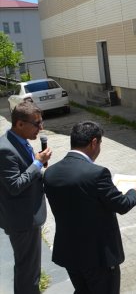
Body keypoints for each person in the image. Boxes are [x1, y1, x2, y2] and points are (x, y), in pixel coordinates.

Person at [43, 121, 136, 294]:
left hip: (70, 254)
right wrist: (134, 192)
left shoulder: (50, 173)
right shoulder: (97, 173)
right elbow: (122, 205)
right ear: (94, 142)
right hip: (99, 257)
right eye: (100, 144)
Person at [0, 102, 52, 294]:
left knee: (30, 269)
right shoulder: (5, 149)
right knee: (27, 270)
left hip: (28, 217)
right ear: (20, 124)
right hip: (21, 221)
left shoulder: (20, 140)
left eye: (41, 122)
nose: (41, 128)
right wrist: (37, 163)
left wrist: (38, 163)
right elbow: (14, 186)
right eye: (36, 124)